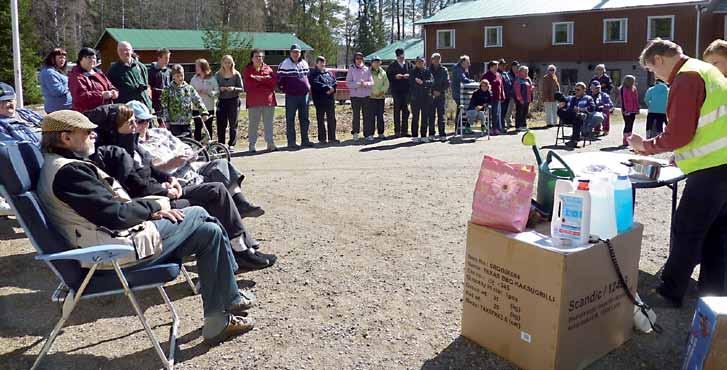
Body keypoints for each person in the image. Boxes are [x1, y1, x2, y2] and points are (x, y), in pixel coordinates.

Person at [36, 109, 256, 344]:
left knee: (208, 232)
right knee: (200, 212)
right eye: (87, 132)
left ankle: (218, 319)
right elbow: (115, 215)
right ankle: (230, 295)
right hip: (111, 254)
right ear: (65, 138)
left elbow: (108, 212)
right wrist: (153, 208)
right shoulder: (69, 172)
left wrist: (151, 209)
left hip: (112, 242)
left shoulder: (62, 166)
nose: (94, 135)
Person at [89, 102, 273, 267]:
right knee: (214, 194)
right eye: (131, 123)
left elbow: (151, 170)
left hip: (164, 191)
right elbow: (135, 186)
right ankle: (239, 251)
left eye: (138, 121)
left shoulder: (132, 144)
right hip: (152, 202)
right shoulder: (114, 153)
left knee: (217, 188)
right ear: (114, 128)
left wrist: (170, 180)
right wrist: (166, 191)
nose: (137, 126)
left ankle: (242, 248)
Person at [628, 38, 727, 307]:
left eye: (651, 69)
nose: (655, 76)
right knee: (717, 233)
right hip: (721, 165)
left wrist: (645, 146)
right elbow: (705, 124)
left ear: (659, 59)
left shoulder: (686, 78)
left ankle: (670, 292)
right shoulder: (705, 71)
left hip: (710, 169)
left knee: (687, 230)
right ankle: (714, 295)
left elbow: (680, 133)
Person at [242, 49, 279, 152]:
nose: (259, 58)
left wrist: (260, 79)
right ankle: (252, 144)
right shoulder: (247, 69)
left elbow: (273, 82)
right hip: (254, 101)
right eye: (257, 56)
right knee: (253, 124)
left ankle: (270, 143)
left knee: (269, 123)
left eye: (261, 56)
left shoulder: (268, 68)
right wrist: (264, 80)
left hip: (268, 100)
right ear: (252, 58)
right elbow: (249, 84)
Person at [278, 44, 312, 148]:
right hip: (291, 96)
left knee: (305, 119)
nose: (295, 54)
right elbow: (279, 80)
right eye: (293, 52)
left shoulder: (304, 63)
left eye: (297, 52)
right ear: (290, 53)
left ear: (300, 53)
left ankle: (305, 140)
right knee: (290, 119)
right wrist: (286, 90)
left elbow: (308, 77)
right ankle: (291, 142)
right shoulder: (285, 64)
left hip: (304, 96)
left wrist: (308, 88)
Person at [160, 64, 209, 138]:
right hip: (174, 123)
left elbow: (197, 100)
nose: (180, 78)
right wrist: (166, 120)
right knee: (177, 143)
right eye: (177, 76)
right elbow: (164, 106)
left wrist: (203, 112)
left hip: (187, 122)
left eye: (181, 75)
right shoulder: (168, 90)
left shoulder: (189, 88)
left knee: (188, 143)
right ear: (173, 76)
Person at [69, 48, 118, 113]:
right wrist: (101, 95)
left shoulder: (98, 73)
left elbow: (109, 85)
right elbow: (80, 97)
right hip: (87, 114)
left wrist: (114, 91)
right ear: (80, 59)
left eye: (94, 58)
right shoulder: (76, 76)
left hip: (104, 111)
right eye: (89, 57)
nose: (92, 60)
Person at [106, 41, 152, 108]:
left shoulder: (141, 67)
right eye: (121, 50)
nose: (124, 52)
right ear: (117, 52)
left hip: (144, 106)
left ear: (132, 51)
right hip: (127, 109)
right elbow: (110, 89)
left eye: (126, 50)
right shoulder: (113, 70)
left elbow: (147, 86)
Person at [215, 55, 244, 150]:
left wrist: (234, 88)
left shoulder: (236, 74)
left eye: (229, 62)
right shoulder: (218, 75)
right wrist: (220, 89)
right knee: (221, 124)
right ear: (222, 63)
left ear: (232, 63)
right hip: (222, 101)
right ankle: (221, 144)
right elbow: (214, 89)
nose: (227, 64)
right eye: (225, 62)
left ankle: (232, 144)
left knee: (233, 123)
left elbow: (242, 88)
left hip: (233, 100)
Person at [308, 56, 338, 144]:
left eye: (323, 63)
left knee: (332, 119)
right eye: (320, 63)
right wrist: (327, 88)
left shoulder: (329, 73)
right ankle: (322, 139)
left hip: (330, 99)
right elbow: (315, 83)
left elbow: (334, 81)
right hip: (320, 100)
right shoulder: (313, 73)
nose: (322, 64)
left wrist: (333, 88)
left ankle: (332, 138)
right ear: (316, 64)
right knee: (320, 120)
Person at [557, 82, 595, 148]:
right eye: (575, 89)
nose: (576, 91)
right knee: (560, 110)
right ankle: (574, 140)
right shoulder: (571, 98)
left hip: (581, 119)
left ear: (584, 90)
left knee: (578, 116)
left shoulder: (588, 98)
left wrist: (580, 109)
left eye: (578, 90)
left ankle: (574, 140)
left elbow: (592, 108)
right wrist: (561, 105)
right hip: (569, 117)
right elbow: (563, 103)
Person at [346, 52, 373, 142]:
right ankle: (356, 133)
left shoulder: (367, 69)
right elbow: (348, 83)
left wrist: (365, 84)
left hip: (366, 96)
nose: (359, 60)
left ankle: (367, 134)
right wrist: (357, 84)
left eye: (360, 58)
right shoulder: (351, 68)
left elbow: (371, 82)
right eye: (357, 58)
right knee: (356, 116)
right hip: (355, 97)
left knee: (367, 116)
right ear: (354, 59)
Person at [190, 58, 219, 142]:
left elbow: (217, 92)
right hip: (197, 108)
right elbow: (190, 91)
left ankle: (209, 146)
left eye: (197, 66)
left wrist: (209, 93)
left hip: (209, 107)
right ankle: (198, 146)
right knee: (197, 128)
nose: (196, 68)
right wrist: (195, 93)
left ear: (203, 67)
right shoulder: (194, 79)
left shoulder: (212, 79)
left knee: (208, 127)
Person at [386, 48, 411, 137]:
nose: (401, 58)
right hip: (396, 91)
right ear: (396, 56)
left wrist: (409, 75)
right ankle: (397, 131)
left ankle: (405, 131)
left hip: (406, 91)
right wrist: (395, 76)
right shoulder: (392, 65)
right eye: (399, 56)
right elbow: (388, 76)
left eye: (402, 56)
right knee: (397, 111)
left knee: (406, 111)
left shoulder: (408, 64)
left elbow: (413, 73)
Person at [39, 48, 72, 113]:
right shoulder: (49, 73)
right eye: (60, 57)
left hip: (65, 109)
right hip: (58, 111)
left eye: (64, 58)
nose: (63, 60)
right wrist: (72, 85)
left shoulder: (56, 71)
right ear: (52, 58)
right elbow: (57, 91)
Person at [409, 56, 433, 143]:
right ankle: (414, 136)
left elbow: (431, 82)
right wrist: (421, 84)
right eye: (418, 62)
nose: (420, 63)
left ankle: (423, 135)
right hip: (415, 98)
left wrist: (423, 82)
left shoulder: (427, 71)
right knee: (415, 117)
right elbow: (411, 83)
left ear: (424, 62)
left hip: (426, 98)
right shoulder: (412, 72)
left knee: (425, 117)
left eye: (421, 61)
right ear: (416, 63)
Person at [451, 55, 475, 132]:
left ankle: (462, 128)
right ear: (463, 62)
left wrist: (466, 72)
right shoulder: (457, 69)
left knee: (463, 110)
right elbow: (463, 79)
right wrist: (472, 81)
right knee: (461, 110)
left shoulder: (462, 69)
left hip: (462, 93)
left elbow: (465, 78)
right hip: (458, 93)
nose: (469, 64)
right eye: (468, 62)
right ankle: (459, 129)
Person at [428, 53, 449, 140]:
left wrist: (439, 91)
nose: (436, 60)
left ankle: (442, 134)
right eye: (435, 59)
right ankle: (432, 134)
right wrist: (432, 91)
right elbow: (427, 82)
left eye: (438, 59)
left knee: (441, 115)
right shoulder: (428, 70)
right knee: (431, 115)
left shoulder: (444, 70)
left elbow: (447, 83)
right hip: (431, 96)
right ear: (432, 60)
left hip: (441, 95)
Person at [482, 60, 505, 135]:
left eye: (497, 67)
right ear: (490, 67)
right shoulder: (486, 76)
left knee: (496, 114)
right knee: (489, 113)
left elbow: (501, 86)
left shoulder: (499, 75)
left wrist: (502, 96)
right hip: (489, 98)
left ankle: (495, 128)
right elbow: (482, 87)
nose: (496, 69)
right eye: (495, 67)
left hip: (497, 98)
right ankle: (489, 128)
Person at [369, 56, 389, 140]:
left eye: (378, 62)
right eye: (374, 62)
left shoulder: (383, 72)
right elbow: (367, 83)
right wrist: (372, 93)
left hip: (381, 97)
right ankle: (370, 134)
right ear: (371, 63)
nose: (376, 63)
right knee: (371, 116)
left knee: (380, 116)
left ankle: (381, 133)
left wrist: (382, 91)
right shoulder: (367, 72)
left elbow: (386, 84)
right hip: (371, 97)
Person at [148, 48, 171, 118]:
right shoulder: (151, 71)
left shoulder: (168, 71)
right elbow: (148, 86)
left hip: (166, 100)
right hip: (155, 102)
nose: (168, 60)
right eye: (166, 58)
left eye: (168, 58)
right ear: (159, 58)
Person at [619, 75, 640, 146]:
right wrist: (624, 109)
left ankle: (629, 139)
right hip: (626, 110)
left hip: (633, 110)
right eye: (633, 81)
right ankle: (625, 139)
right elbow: (623, 100)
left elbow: (636, 99)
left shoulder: (634, 88)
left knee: (631, 124)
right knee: (627, 124)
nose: (634, 82)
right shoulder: (623, 89)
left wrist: (637, 108)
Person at [513, 65, 534, 131]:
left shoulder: (528, 79)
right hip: (521, 100)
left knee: (525, 113)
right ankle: (518, 126)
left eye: (527, 71)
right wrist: (520, 99)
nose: (526, 73)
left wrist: (532, 88)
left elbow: (530, 87)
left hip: (527, 99)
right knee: (519, 112)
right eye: (525, 71)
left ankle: (524, 125)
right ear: (521, 71)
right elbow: (517, 90)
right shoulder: (518, 79)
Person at [503, 60, 520, 128]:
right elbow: (508, 84)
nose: (517, 68)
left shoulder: (519, 74)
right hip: (511, 94)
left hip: (518, 94)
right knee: (509, 109)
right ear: (512, 67)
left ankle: (512, 122)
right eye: (516, 66)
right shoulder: (508, 74)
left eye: (518, 66)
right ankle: (508, 123)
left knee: (515, 109)